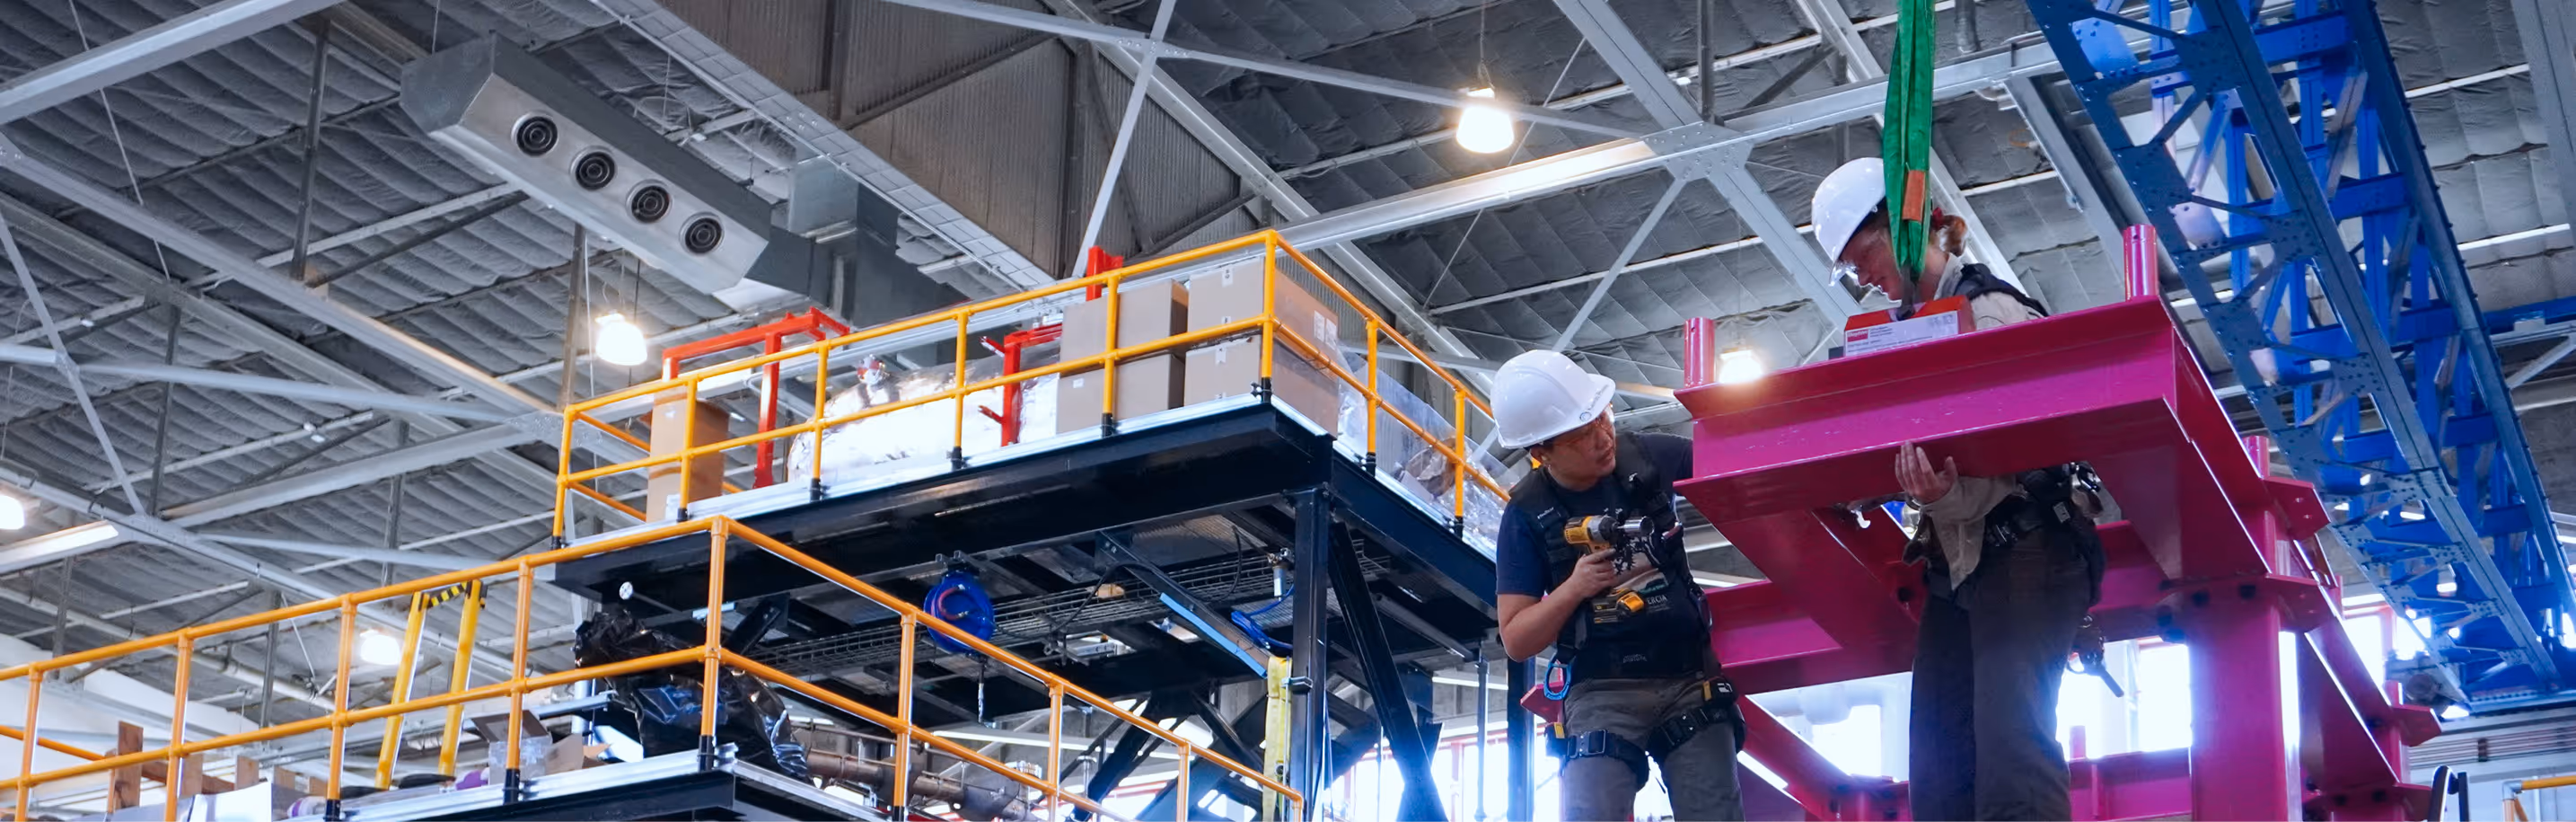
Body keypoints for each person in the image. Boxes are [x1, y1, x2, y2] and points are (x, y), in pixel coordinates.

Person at [1810, 157, 2106, 820]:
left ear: (1902, 225)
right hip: (1961, 564)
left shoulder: (1994, 312)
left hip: (2030, 546)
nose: (1861, 278)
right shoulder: (1902, 337)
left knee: (2011, 758)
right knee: (1940, 776)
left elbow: (2023, 453)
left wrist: (1936, 494)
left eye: (1861, 254)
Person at [1491, 349, 1742, 821]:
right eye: (1582, 436)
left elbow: (1741, 466)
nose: (1602, 438)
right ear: (1541, 452)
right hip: (1601, 691)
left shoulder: (1651, 460)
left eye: (1602, 419)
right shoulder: (1527, 516)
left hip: (1687, 676)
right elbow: (1517, 640)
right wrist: (1574, 588)